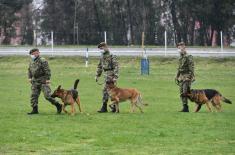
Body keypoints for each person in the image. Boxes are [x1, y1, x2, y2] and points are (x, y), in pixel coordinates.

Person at [27, 48, 62, 115]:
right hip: (35, 81)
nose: (32, 55)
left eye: (33, 54)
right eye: (31, 54)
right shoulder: (31, 61)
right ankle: (35, 110)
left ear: (37, 53)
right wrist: (29, 77)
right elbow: (29, 70)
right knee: (33, 96)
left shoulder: (42, 61)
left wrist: (48, 79)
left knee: (48, 96)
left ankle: (58, 105)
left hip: (43, 81)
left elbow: (47, 70)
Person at [95, 42, 119, 113]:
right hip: (105, 75)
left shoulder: (112, 55)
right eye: (100, 49)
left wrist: (115, 77)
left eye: (101, 48)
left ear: (105, 47)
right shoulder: (102, 56)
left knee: (112, 92)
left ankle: (112, 107)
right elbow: (99, 66)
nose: (101, 50)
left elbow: (116, 67)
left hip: (111, 75)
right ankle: (106, 107)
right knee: (105, 91)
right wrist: (97, 75)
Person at [175, 42, 195, 112]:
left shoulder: (188, 56)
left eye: (180, 47)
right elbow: (179, 68)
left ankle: (199, 100)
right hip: (181, 77)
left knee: (185, 92)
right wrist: (176, 76)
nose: (179, 49)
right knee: (181, 93)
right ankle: (185, 107)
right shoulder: (180, 57)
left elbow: (191, 68)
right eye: (178, 48)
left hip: (187, 76)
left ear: (184, 47)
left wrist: (191, 76)